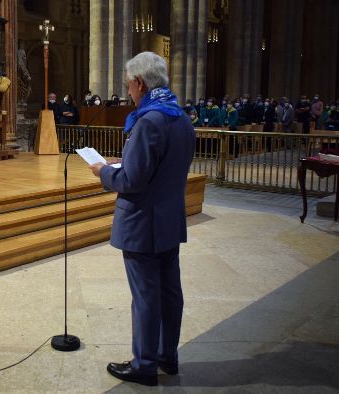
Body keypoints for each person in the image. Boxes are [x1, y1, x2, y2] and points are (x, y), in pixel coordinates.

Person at [88, 51, 195, 387]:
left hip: (142, 222)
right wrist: (129, 158)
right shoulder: (179, 117)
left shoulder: (148, 120)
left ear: (139, 82)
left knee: (146, 296)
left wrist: (103, 171)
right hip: (167, 219)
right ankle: (166, 356)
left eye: (129, 86)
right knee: (169, 292)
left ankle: (145, 365)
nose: (128, 92)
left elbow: (132, 181)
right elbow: (162, 166)